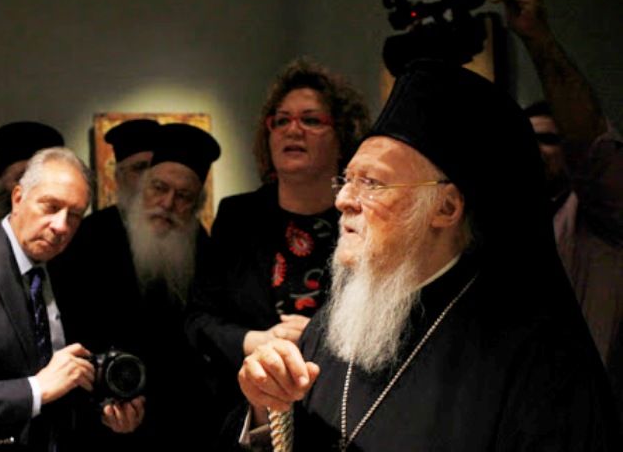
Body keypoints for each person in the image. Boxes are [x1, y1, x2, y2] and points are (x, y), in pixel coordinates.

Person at [236, 59, 620, 451]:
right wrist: (266, 405)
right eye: (346, 179)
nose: (343, 199)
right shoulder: (332, 325)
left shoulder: (539, 361)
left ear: (446, 208)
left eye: (371, 183)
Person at [184, 58, 370, 430]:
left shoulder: (362, 217)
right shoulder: (237, 216)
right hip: (247, 416)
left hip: (343, 412)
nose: (292, 130)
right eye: (281, 120)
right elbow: (198, 320)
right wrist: (256, 341)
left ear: (343, 138)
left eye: (311, 120)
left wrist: (317, 340)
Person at [489, 0, 623, 410]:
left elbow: (590, 141)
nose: (533, 150)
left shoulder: (596, 216)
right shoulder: (495, 223)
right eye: (524, 140)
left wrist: (539, 39)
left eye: (547, 140)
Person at [0, 147, 142, 451]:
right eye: (51, 207)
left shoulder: (76, 267)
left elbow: (75, 376)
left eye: (75, 215)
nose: (61, 226)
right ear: (18, 198)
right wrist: (35, 390)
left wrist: (109, 410)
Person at [52, 123, 221, 451]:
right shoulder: (90, 237)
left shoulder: (202, 246)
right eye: (159, 188)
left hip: (184, 421)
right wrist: (104, 401)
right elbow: (70, 336)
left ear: (196, 203)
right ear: (144, 185)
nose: (167, 203)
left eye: (183, 196)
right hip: (107, 417)